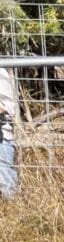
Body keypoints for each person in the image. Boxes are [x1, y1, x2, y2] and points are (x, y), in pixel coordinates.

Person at [0, 66, 18, 198]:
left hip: (2, 137)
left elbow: (9, 108)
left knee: (6, 184)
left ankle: (13, 209)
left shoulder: (1, 73)